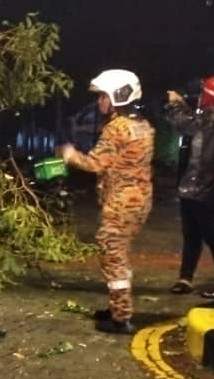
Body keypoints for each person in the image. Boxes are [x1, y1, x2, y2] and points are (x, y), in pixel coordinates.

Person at [59, 69, 154, 334]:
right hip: (138, 200)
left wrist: (69, 154)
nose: (99, 101)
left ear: (118, 96)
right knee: (119, 254)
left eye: (103, 96)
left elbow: (95, 163)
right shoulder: (143, 124)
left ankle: (121, 317)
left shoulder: (117, 128)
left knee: (113, 256)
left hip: (122, 202)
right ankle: (117, 307)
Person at [166, 77, 214, 299]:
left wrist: (175, 104)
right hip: (193, 186)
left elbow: (186, 124)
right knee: (191, 234)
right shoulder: (208, 117)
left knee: (213, 236)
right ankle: (185, 277)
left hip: (207, 188)